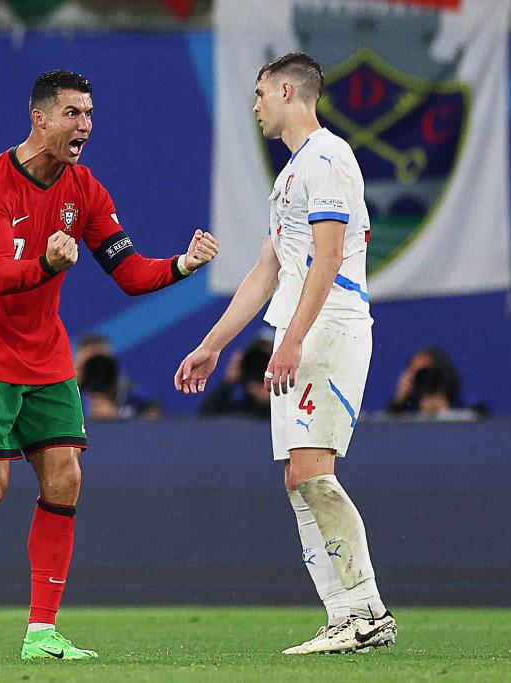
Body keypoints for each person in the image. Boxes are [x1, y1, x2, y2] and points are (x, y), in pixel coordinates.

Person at [0, 69, 218, 662]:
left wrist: (182, 265)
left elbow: (128, 271)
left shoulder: (85, 191)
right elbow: (0, 277)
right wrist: (47, 262)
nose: (85, 127)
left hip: (45, 356)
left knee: (66, 478)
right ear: (38, 117)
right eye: (73, 114)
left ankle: (41, 631)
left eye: (90, 115)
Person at [174, 53, 395, 656]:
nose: (255, 107)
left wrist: (294, 339)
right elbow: (267, 270)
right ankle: (345, 615)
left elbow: (327, 259)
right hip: (299, 330)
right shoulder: (294, 173)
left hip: (328, 329)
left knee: (311, 472)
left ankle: (365, 611)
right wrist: (211, 345)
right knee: (299, 481)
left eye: (260, 94)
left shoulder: (329, 158)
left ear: (289, 91)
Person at [384, 346, 481, 420]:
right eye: (421, 375)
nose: (427, 378)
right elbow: (385, 423)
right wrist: (398, 401)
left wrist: (445, 411)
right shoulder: (405, 417)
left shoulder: (468, 413)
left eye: (431, 373)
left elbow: (483, 415)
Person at [198, 335, 273, 418]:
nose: (261, 364)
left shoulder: (287, 402)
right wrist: (227, 383)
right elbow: (204, 420)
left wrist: (272, 400)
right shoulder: (238, 402)